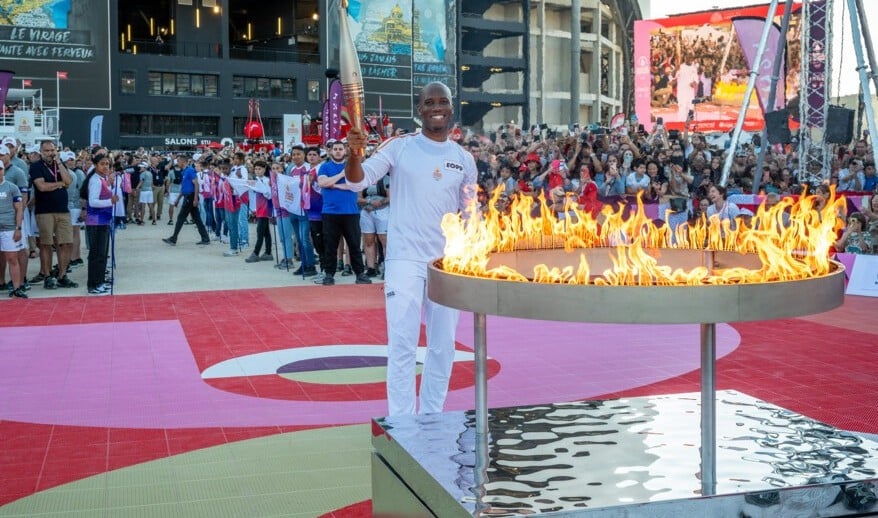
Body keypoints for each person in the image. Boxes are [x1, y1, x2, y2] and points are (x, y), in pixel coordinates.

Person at [344, 82, 478, 416]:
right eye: (429, 102)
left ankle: (432, 415)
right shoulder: (400, 147)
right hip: (405, 259)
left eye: (443, 102)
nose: (437, 107)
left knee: (443, 347)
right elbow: (357, 181)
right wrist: (354, 153)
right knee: (403, 344)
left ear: (451, 107)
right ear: (419, 109)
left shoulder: (463, 159)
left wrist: (471, 256)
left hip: (447, 263)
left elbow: (471, 213)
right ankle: (402, 421)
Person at [316, 140, 371, 286]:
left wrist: (334, 185)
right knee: (330, 245)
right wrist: (341, 174)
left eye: (341, 149)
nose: (338, 151)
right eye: (336, 149)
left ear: (345, 150)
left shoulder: (352, 166)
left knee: (354, 244)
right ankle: (329, 274)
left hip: (350, 212)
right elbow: (322, 183)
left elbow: (356, 185)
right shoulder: (325, 166)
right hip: (330, 212)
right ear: (330, 151)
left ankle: (360, 273)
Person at [29, 140, 78, 289]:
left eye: (52, 150)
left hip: (63, 210)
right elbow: (42, 186)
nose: (50, 153)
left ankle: (62, 275)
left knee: (66, 243)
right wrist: (59, 184)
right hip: (45, 211)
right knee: (46, 244)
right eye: (47, 151)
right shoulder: (36, 166)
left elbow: (68, 181)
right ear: (41, 152)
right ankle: (48, 275)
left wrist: (60, 164)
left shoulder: (59, 164)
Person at [82, 154, 118, 295]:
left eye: (107, 164)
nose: (105, 166)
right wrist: (111, 201)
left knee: (102, 254)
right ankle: (94, 284)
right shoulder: (95, 180)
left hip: (103, 220)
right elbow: (93, 202)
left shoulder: (102, 179)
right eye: (102, 164)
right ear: (96, 165)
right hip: (96, 221)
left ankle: (100, 281)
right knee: (97, 254)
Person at [162, 157, 211, 247]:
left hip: (190, 196)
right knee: (197, 219)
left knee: (181, 217)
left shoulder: (190, 171)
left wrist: (195, 198)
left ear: (183, 162)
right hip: (188, 196)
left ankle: (174, 238)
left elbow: (196, 184)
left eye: (178, 162)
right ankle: (205, 238)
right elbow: (184, 187)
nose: (177, 164)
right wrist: (177, 199)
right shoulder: (184, 172)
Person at [0, 159, 27, 298]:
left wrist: (18, 228)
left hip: (9, 228)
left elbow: (19, 209)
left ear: (3, 170)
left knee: (12, 258)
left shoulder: (11, 187)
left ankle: (16, 288)